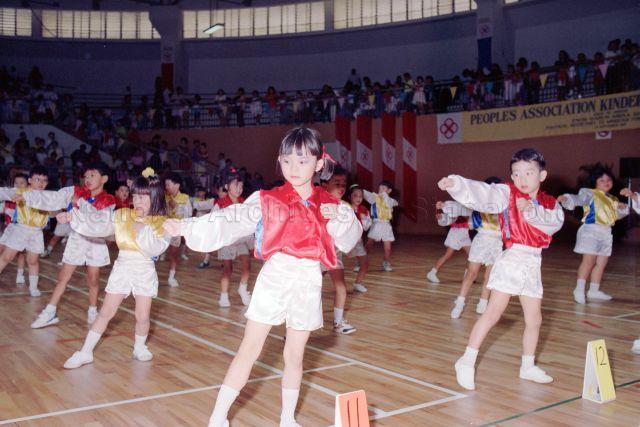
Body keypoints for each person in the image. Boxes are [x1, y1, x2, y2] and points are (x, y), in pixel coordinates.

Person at [163, 127, 362, 427]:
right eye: (287, 161)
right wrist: (188, 227)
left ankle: (287, 419)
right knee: (249, 349)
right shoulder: (267, 199)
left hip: (308, 280)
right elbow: (231, 219)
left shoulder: (331, 205)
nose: (293, 169)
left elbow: (350, 238)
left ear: (319, 164)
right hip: (275, 276)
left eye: (303, 161)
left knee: (294, 356)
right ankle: (218, 417)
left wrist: (342, 221)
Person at [438, 148, 564, 390]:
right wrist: (456, 183)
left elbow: (553, 224)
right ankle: (466, 360)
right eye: (516, 174)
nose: (522, 179)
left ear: (542, 175)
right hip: (512, 259)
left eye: (529, 173)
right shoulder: (506, 193)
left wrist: (532, 211)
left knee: (534, 319)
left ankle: (528, 366)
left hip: (533, 263)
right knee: (493, 313)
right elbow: (483, 192)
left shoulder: (549, 203)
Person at [61, 168, 171, 369]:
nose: (137, 201)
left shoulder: (161, 223)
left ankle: (140, 347)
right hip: (122, 266)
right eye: (135, 196)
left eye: (144, 197)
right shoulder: (122, 216)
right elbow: (98, 223)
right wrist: (73, 218)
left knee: (143, 316)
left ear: (155, 197)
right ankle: (85, 351)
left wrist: (142, 230)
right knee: (106, 312)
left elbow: (158, 247)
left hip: (144, 269)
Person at [23, 164, 116, 328]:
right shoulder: (76, 191)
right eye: (86, 176)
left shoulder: (109, 200)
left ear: (104, 179)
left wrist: (73, 214)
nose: (87, 179)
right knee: (63, 277)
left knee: (93, 279)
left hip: (96, 242)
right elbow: (53, 198)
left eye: (92, 175)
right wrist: (27, 197)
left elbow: (97, 222)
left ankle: (92, 311)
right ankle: (50, 312)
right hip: (77, 240)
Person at [558, 164, 629, 304]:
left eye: (608, 180)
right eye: (602, 180)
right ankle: (579, 289)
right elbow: (579, 199)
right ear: (595, 182)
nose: (606, 182)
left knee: (601, 263)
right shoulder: (589, 193)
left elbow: (615, 216)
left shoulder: (613, 199)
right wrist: (568, 199)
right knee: (589, 261)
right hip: (591, 231)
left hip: (606, 233)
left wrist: (621, 209)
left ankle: (594, 290)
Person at [0, 166, 50, 296]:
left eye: (44, 180)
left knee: (33, 261)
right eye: (37, 179)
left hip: (37, 232)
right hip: (20, 229)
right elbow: (3, 192)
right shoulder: (20, 191)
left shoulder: (49, 197)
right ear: (30, 180)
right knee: (7, 257)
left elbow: (56, 211)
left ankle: (33, 288)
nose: (41, 183)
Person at [363, 181, 398, 271]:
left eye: (383, 188)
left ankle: (386, 262)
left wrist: (385, 196)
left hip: (386, 225)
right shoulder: (374, 197)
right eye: (379, 188)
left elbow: (393, 203)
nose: (380, 190)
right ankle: (361, 262)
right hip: (376, 224)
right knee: (369, 245)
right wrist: (356, 188)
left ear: (389, 190)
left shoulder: (391, 200)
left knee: (388, 248)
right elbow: (363, 192)